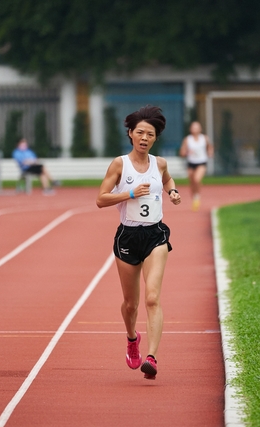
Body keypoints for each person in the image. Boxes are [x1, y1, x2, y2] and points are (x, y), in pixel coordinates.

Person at [96, 105, 182, 380]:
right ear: (131, 134)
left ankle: (152, 358)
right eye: (141, 133)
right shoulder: (120, 164)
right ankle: (133, 338)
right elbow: (101, 199)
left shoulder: (160, 164)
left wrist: (173, 191)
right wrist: (129, 193)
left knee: (153, 298)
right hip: (128, 237)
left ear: (156, 139)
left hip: (156, 234)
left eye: (151, 135)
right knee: (131, 304)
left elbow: (167, 179)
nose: (145, 138)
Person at [179, 121, 213, 211]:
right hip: (191, 163)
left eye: (197, 127)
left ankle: (197, 197)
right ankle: (194, 197)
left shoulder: (204, 138)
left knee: (197, 179)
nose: (195, 129)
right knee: (192, 183)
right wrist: (186, 152)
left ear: (200, 129)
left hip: (202, 162)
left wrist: (210, 152)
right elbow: (182, 152)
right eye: (193, 127)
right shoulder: (187, 139)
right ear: (190, 129)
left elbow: (210, 147)